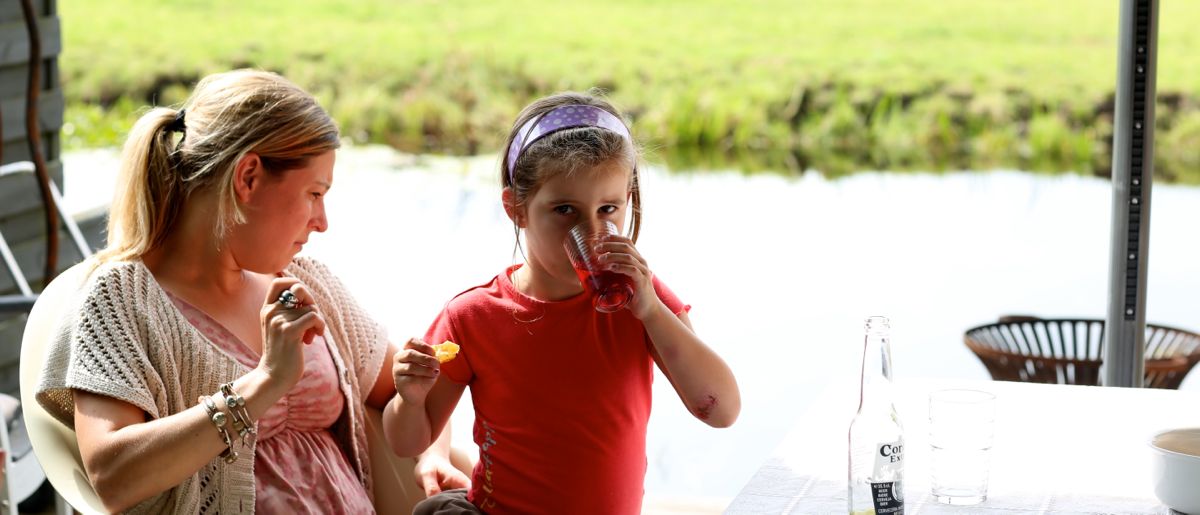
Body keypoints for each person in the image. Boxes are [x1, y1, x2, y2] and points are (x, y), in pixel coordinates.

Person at [35, 69, 468, 514]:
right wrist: (264, 382)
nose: (322, 221)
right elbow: (113, 477)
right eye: (314, 193)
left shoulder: (305, 282)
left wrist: (433, 453)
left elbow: (410, 388)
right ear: (248, 177)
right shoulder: (121, 300)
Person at [386, 92, 741, 514]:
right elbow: (409, 441)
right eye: (565, 210)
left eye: (608, 208)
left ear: (628, 200)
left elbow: (720, 410)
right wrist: (408, 399)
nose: (591, 230)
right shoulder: (473, 316)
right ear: (517, 208)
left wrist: (651, 311)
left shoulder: (642, 300)